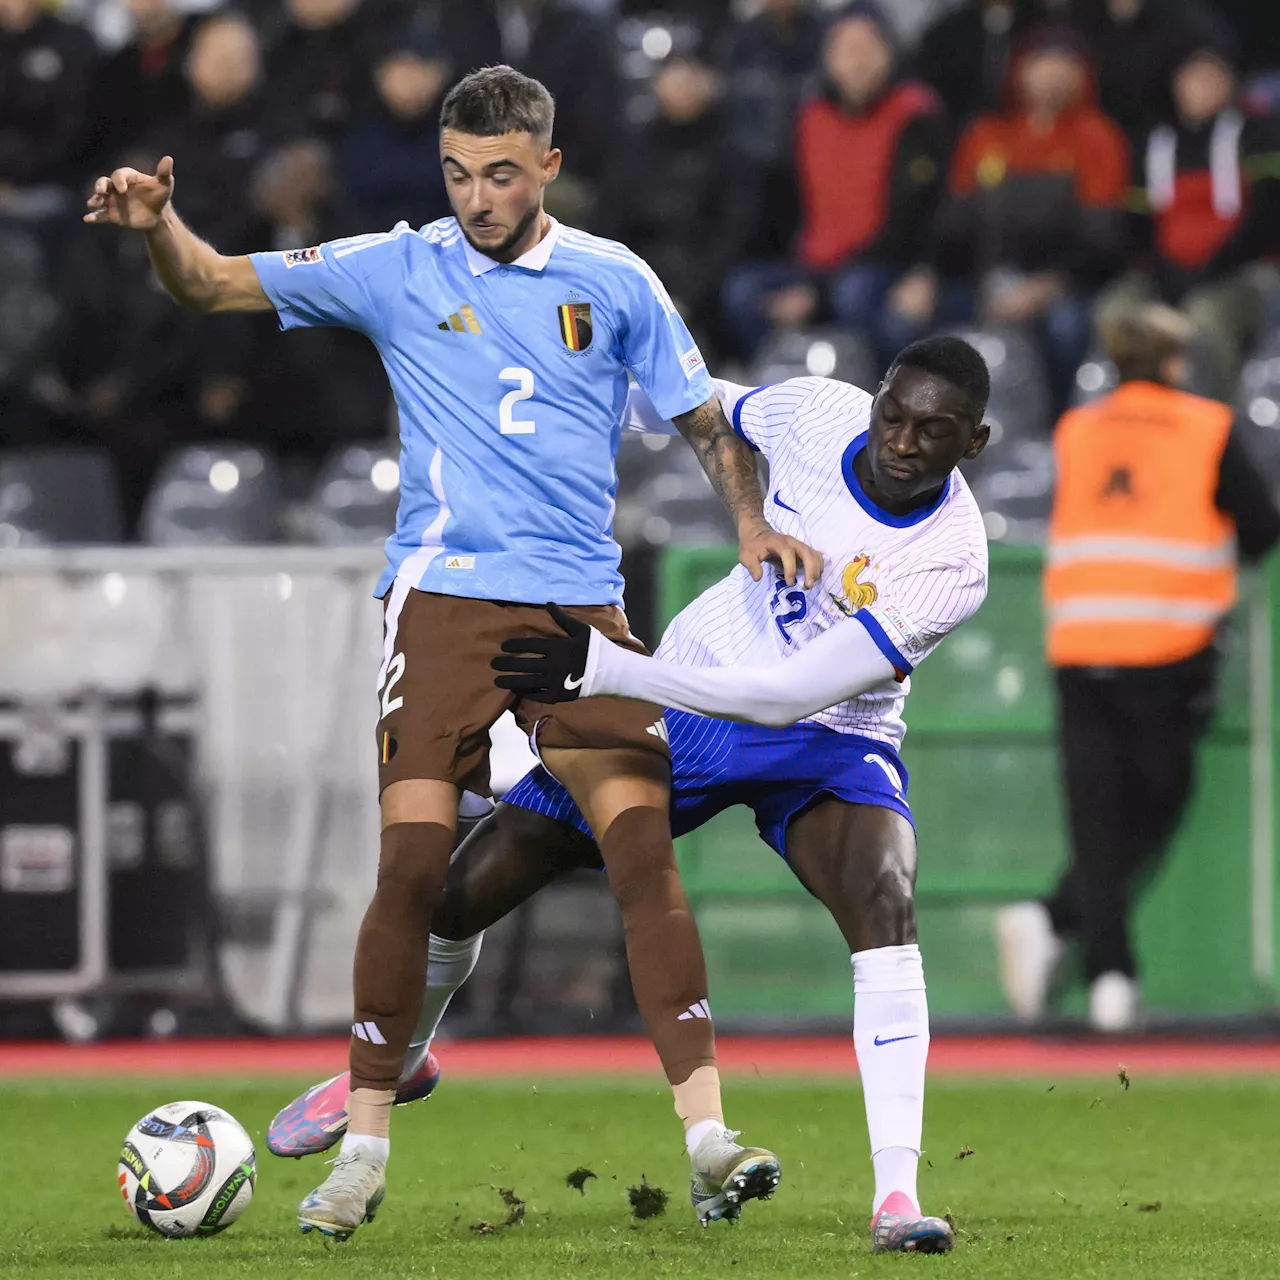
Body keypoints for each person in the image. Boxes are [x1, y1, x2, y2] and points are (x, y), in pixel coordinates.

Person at [84, 64, 819, 1238]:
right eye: (458, 175)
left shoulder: (614, 277)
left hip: (581, 614)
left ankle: (710, 1138)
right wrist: (162, 224)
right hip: (442, 605)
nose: (476, 200)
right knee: (412, 870)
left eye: (500, 176)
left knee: (642, 851)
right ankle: (362, 1153)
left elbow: (702, 420)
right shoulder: (397, 263)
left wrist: (751, 521)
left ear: (547, 168)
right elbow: (212, 285)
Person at [267, 335, 994, 1256]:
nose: (901, 440)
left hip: (828, 736)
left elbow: (789, 696)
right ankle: (396, 1066)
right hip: (691, 692)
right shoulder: (817, 411)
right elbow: (698, 404)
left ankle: (897, 1199)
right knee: (458, 897)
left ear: (972, 444)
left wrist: (609, 668)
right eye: (895, 414)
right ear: (877, 399)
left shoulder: (953, 559)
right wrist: (569, 404)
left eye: (934, 432)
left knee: (887, 900)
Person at [997, 304, 1280, 1031]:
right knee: (1153, 805)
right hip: (1169, 647)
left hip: (1081, 643)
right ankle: (1109, 974)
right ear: (1179, 363)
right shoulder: (1208, 428)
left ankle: (1065, 930)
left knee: (1098, 817)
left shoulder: (1076, 429)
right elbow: (1259, 528)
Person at [895, 27, 1129, 412]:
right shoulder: (986, 135)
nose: (1053, 75)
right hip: (983, 280)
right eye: (1041, 63)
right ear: (1019, 71)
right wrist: (925, 274)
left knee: (1066, 329)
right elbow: (953, 225)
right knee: (908, 321)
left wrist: (1045, 286)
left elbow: (1102, 241)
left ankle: (1058, 422)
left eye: (1066, 65)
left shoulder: (1098, 138)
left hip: (1062, 285)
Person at [721, 2, 947, 363]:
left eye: (868, 49)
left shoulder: (915, 115)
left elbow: (912, 217)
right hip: (814, 263)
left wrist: (817, 294)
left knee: (853, 295)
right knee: (742, 290)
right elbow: (787, 203)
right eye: (845, 50)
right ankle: (775, 391)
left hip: (883, 263)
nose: (857, 61)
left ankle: (877, 401)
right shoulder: (810, 114)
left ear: (890, 53)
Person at [1096, 32, 1280, 399]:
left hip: (1239, 273)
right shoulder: (1154, 143)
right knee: (1113, 310)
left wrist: (1210, 268)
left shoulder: (1259, 135)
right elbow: (1136, 223)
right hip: (1166, 272)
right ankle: (1127, 415)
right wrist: (1163, 271)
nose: (1202, 86)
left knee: (1205, 318)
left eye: (1213, 77)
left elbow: (1267, 215)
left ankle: (1215, 422)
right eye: (1192, 77)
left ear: (1231, 83)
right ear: (1176, 84)